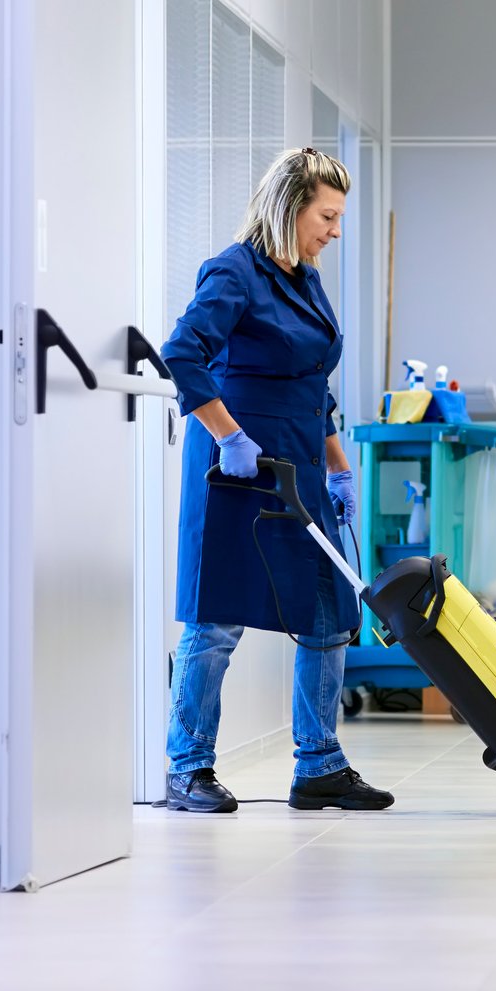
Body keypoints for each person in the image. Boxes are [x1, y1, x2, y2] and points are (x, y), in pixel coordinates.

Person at [158, 147, 394, 814]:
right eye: (328, 215)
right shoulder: (235, 273)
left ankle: (319, 764)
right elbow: (182, 353)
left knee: (327, 615)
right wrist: (228, 435)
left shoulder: (306, 278)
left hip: (302, 466)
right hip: (239, 469)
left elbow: (314, 384)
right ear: (291, 207)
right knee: (218, 619)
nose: (335, 230)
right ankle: (187, 768)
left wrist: (342, 468)